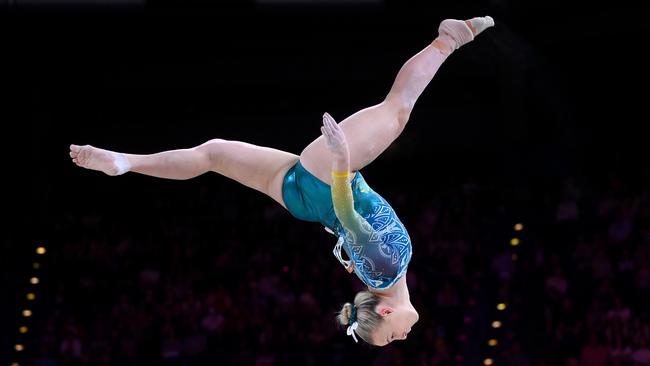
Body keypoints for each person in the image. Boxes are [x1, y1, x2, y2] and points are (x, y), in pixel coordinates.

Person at [69, 16, 495, 346]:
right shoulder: (376, 277)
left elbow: (348, 211)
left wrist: (342, 162)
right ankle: (126, 162)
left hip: (328, 181)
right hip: (300, 200)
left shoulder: (386, 272)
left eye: (392, 337)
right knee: (213, 154)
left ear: (384, 314)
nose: (403, 337)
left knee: (398, 109)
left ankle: (449, 38)